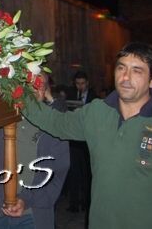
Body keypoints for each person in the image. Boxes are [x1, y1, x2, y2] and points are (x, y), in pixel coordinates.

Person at [22, 42, 152, 229]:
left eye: (137, 71)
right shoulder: (97, 112)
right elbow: (57, 123)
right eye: (121, 68)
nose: (126, 77)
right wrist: (20, 93)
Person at [0, 73, 70, 229]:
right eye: (29, 85)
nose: (34, 90)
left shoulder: (53, 128)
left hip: (32, 214)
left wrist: (27, 199)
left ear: (46, 91)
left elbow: (57, 174)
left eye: (40, 86)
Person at [63, 71, 95, 214]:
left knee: (87, 173)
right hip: (74, 140)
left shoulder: (94, 97)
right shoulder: (71, 95)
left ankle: (87, 202)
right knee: (74, 172)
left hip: (88, 140)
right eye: (77, 83)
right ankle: (74, 203)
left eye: (82, 83)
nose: (80, 86)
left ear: (87, 83)